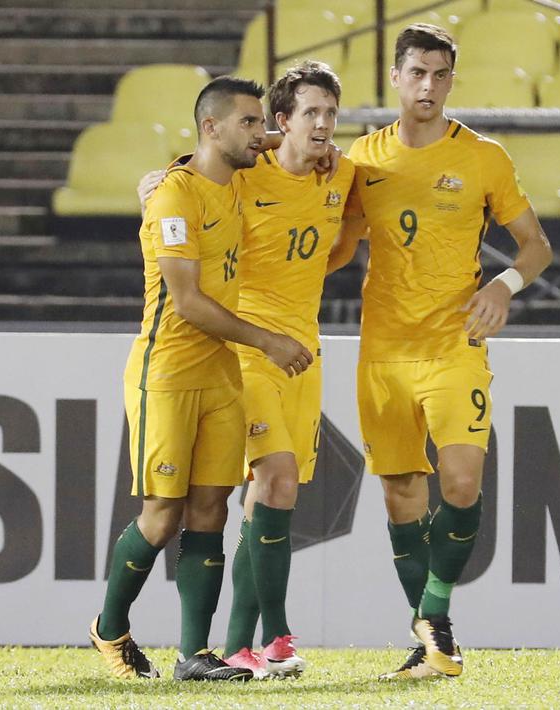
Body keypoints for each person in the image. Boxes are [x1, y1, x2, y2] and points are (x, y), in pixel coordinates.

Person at [328, 23, 553, 680]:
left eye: (440, 74)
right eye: (417, 73)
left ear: (451, 81)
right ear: (395, 77)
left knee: (459, 481)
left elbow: (535, 245)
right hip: (383, 352)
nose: (427, 86)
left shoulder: (483, 157)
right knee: (402, 490)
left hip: (455, 344)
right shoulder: (361, 162)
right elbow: (340, 246)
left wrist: (504, 286)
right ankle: (432, 644)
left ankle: (436, 614)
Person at [90, 76, 314, 683]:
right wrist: (269, 340)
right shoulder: (173, 196)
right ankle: (110, 630)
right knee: (163, 514)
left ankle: (194, 655)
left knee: (211, 508)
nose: (260, 133)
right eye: (248, 122)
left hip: (221, 375)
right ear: (210, 128)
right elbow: (186, 301)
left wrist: (313, 139)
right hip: (166, 373)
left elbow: (280, 141)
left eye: (262, 123)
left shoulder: (237, 176)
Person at [215, 60, 360, 680]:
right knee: (271, 475)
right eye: (311, 114)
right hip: (250, 348)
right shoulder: (248, 173)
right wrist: (155, 178)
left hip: (305, 350)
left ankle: (246, 648)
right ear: (282, 121)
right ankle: (267, 635)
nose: (324, 124)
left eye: (330, 113)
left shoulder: (344, 173)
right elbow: (195, 165)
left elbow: (348, 238)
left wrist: (304, 279)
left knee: (277, 493)